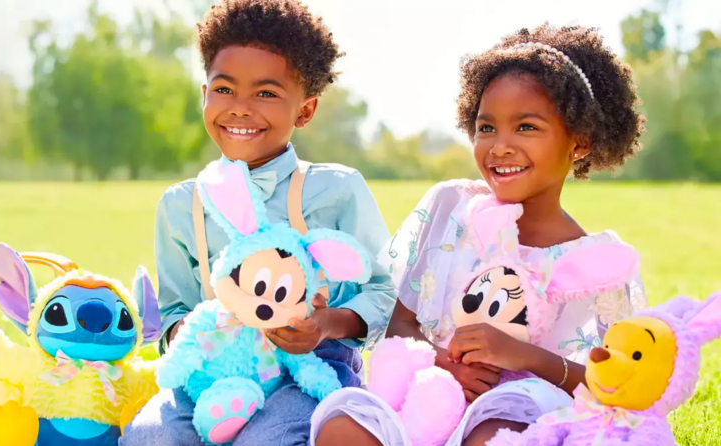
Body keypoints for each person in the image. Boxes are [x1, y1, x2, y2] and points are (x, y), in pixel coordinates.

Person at [312, 23, 649, 446]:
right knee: (343, 428)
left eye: (526, 127)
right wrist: (446, 365)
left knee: (494, 435)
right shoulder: (451, 208)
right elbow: (400, 322)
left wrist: (525, 358)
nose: (500, 146)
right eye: (486, 128)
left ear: (579, 142)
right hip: (429, 400)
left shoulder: (599, 264)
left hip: (524, 416)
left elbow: (619, 389)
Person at [120, 1, 395, 445]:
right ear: (204, 95)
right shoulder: (181, 205)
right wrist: (200, 333)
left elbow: (385, 292)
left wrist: (324, 325)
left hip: (307, 370)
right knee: (150, 437)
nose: (241, 108)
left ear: (304, 110)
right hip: (208, 374)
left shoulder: (337, 190)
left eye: (266, 93)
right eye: (224, 89)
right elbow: (174, 311)